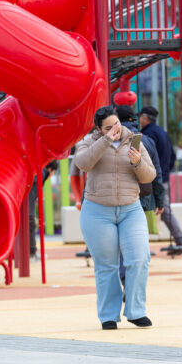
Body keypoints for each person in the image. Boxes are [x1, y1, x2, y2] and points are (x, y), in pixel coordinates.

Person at [75, 106, 156, 330]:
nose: (115, 130)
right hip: (98, 211)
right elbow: (82, 163)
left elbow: (150, 175)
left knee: (139, 259)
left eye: (116, 124)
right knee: (106, 266)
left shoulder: (134, 140)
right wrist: (104, 141)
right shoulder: (89, 142)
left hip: (131, 209)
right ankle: (109, 316)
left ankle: (136, 311)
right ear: (99, 130)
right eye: (108, 128)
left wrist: (138, 162)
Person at [116, 104, 165, 264]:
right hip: (143, 193)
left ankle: (124, 265)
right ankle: (140, 261)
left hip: (118, 195)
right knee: (138, 232)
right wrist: (159, 200)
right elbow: (156, 171)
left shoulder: (112, 140)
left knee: (120, 234)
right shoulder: (147, 140)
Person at [138, 106, 182, 254]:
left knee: (159, 209)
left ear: (145, 118)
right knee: (162, 209)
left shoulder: (147, 135)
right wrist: (165, 171)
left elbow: (148, 157)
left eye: (140, 117)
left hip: (153, 178)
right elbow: (172, 156)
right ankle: (180, 240)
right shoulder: (162, 132)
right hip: (163, 176)